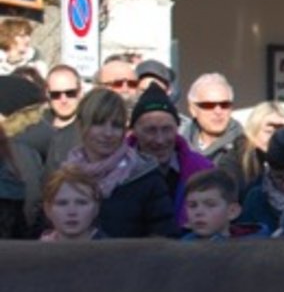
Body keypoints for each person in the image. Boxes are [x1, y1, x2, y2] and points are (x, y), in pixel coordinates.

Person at [63, 88, 175, 238]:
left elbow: (164, 236)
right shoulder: (65, 178)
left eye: (116, 125)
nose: (108, 133)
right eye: (99, 123)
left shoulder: (146, 177)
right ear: (81, 125)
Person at [127, 82, 213, 228]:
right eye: (150, 130)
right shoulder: (116, 171)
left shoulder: (202, 170)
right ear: (134, 131)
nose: (160, 140)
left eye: (167, 129)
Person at [182, 72, 247, 189]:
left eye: (225, 104)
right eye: (208, 105)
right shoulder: (177, 148)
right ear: (193, 110)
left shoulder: (246, 151)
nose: (218, 111)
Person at [181, 167, 267, 239]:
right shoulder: (182, 248)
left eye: (210, 205)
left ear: (232, 211)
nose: (198, 212)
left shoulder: (255, 246)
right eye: (192, 205)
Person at [238, 100, 284, 190]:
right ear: (253, 133)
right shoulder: (236, 161)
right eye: (269, 132)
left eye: (282, 132)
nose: (276, 138)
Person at [39, 164, 102, 240]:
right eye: (62, 203)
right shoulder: (35, 251)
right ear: (47, 209)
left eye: (81, 203)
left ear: (96, 208)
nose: (72, 212)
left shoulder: (112, 250)